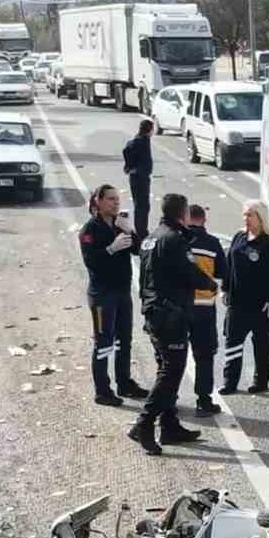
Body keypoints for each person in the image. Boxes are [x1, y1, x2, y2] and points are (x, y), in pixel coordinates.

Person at [131, 193, 214, 455]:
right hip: (170, 315)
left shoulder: (152, 237)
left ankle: (169, 425)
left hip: (155, 312)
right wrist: (210, 284)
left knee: (166, 369)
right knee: (171, 371)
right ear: (183, 214)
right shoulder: (174, 239)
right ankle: (143, 424)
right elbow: (189, 272)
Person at [78, 184, 151, 406]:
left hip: (122, 292)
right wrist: (111, 248)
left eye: (117, 199)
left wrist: (129, 230)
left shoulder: (119, 226)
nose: (116, 202)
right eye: (110, 199)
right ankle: (102, 391)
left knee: (124, 341)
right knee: (103, 342)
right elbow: (92, 262)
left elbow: (140, 250)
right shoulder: (89, 230)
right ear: (97, 202)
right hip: (102, 295)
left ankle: (124, 383)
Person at [220, 200, 269, 395]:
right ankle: (230, 382)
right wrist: (225, 288)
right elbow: (228, 266)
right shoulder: (238, 237)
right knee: (232, 343)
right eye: (244, 214)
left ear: (260, 217)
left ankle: (261, 381)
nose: (246, 218)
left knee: (262, 345)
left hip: (261, 306)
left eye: (250, 215)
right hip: (237, 304)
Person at [184, 204, 226, 416]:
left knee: (173, 357)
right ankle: (203, 401)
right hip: (204, 309)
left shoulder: (177, 241)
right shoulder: (212, 243)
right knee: (204, 356)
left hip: (179, 308)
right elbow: (222, 271)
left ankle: (169, 400)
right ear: (204, 220)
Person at [122, 119, 154, 239]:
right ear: (149, 129)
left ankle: (142, 229)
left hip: (141, 176)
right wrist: (129, 166)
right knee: (142, 205)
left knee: (143, 205)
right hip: (139, 177)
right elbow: (127, 150)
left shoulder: (144, 139)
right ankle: (141, 231)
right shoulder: (140, 141)